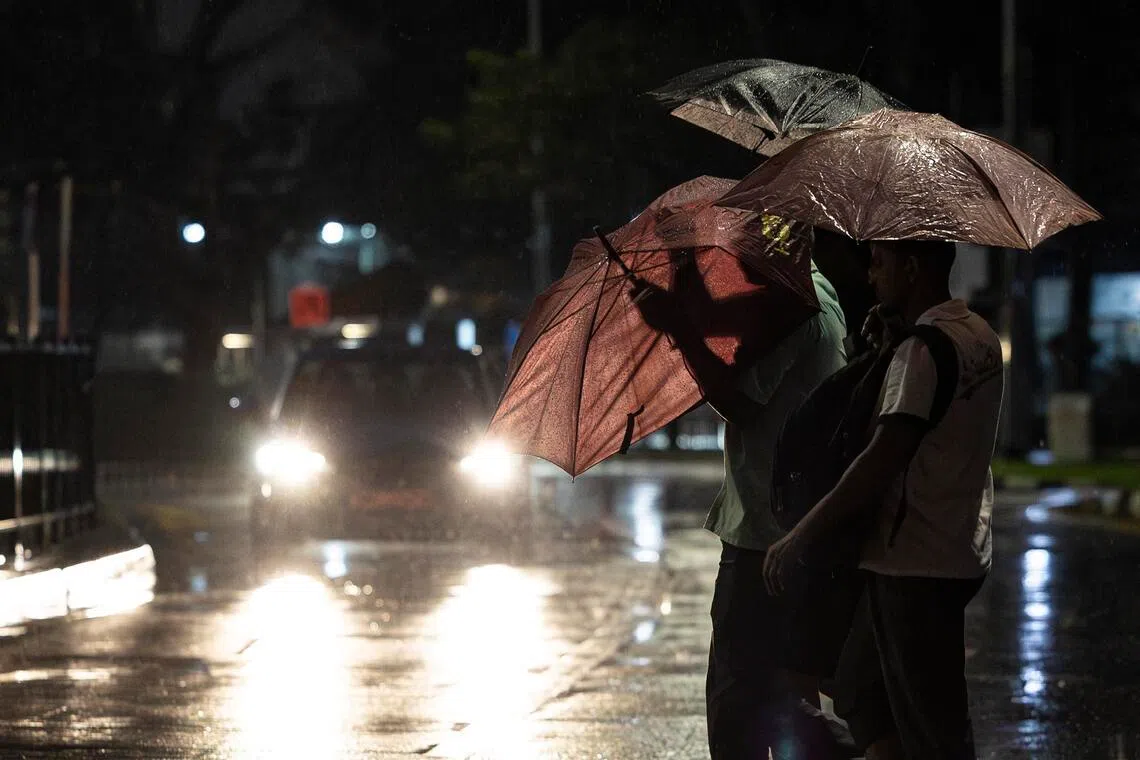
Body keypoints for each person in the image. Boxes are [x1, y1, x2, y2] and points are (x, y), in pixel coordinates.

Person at [762, 239, 1004, 760]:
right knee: (861, 692)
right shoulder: (977, 335)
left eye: (880, 263)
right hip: (955, 547)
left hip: (913, 564)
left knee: (932, 729)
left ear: (911, 268)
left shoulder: (923, 350)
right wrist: (887, 350)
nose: (872, 276)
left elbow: (881, 457)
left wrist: (802, 533)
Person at [633, 234, 850, 759]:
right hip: (787, 528)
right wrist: (681, 269)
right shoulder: (806, 293)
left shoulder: (797, 310)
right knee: (782, 695)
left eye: (751, 247)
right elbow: (715, 318)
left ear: (782, 246)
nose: (740, 259)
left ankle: (853, 743)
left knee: (738, 708)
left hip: (767, 538)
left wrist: (680, 330)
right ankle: (843, 742)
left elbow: (740, 402)